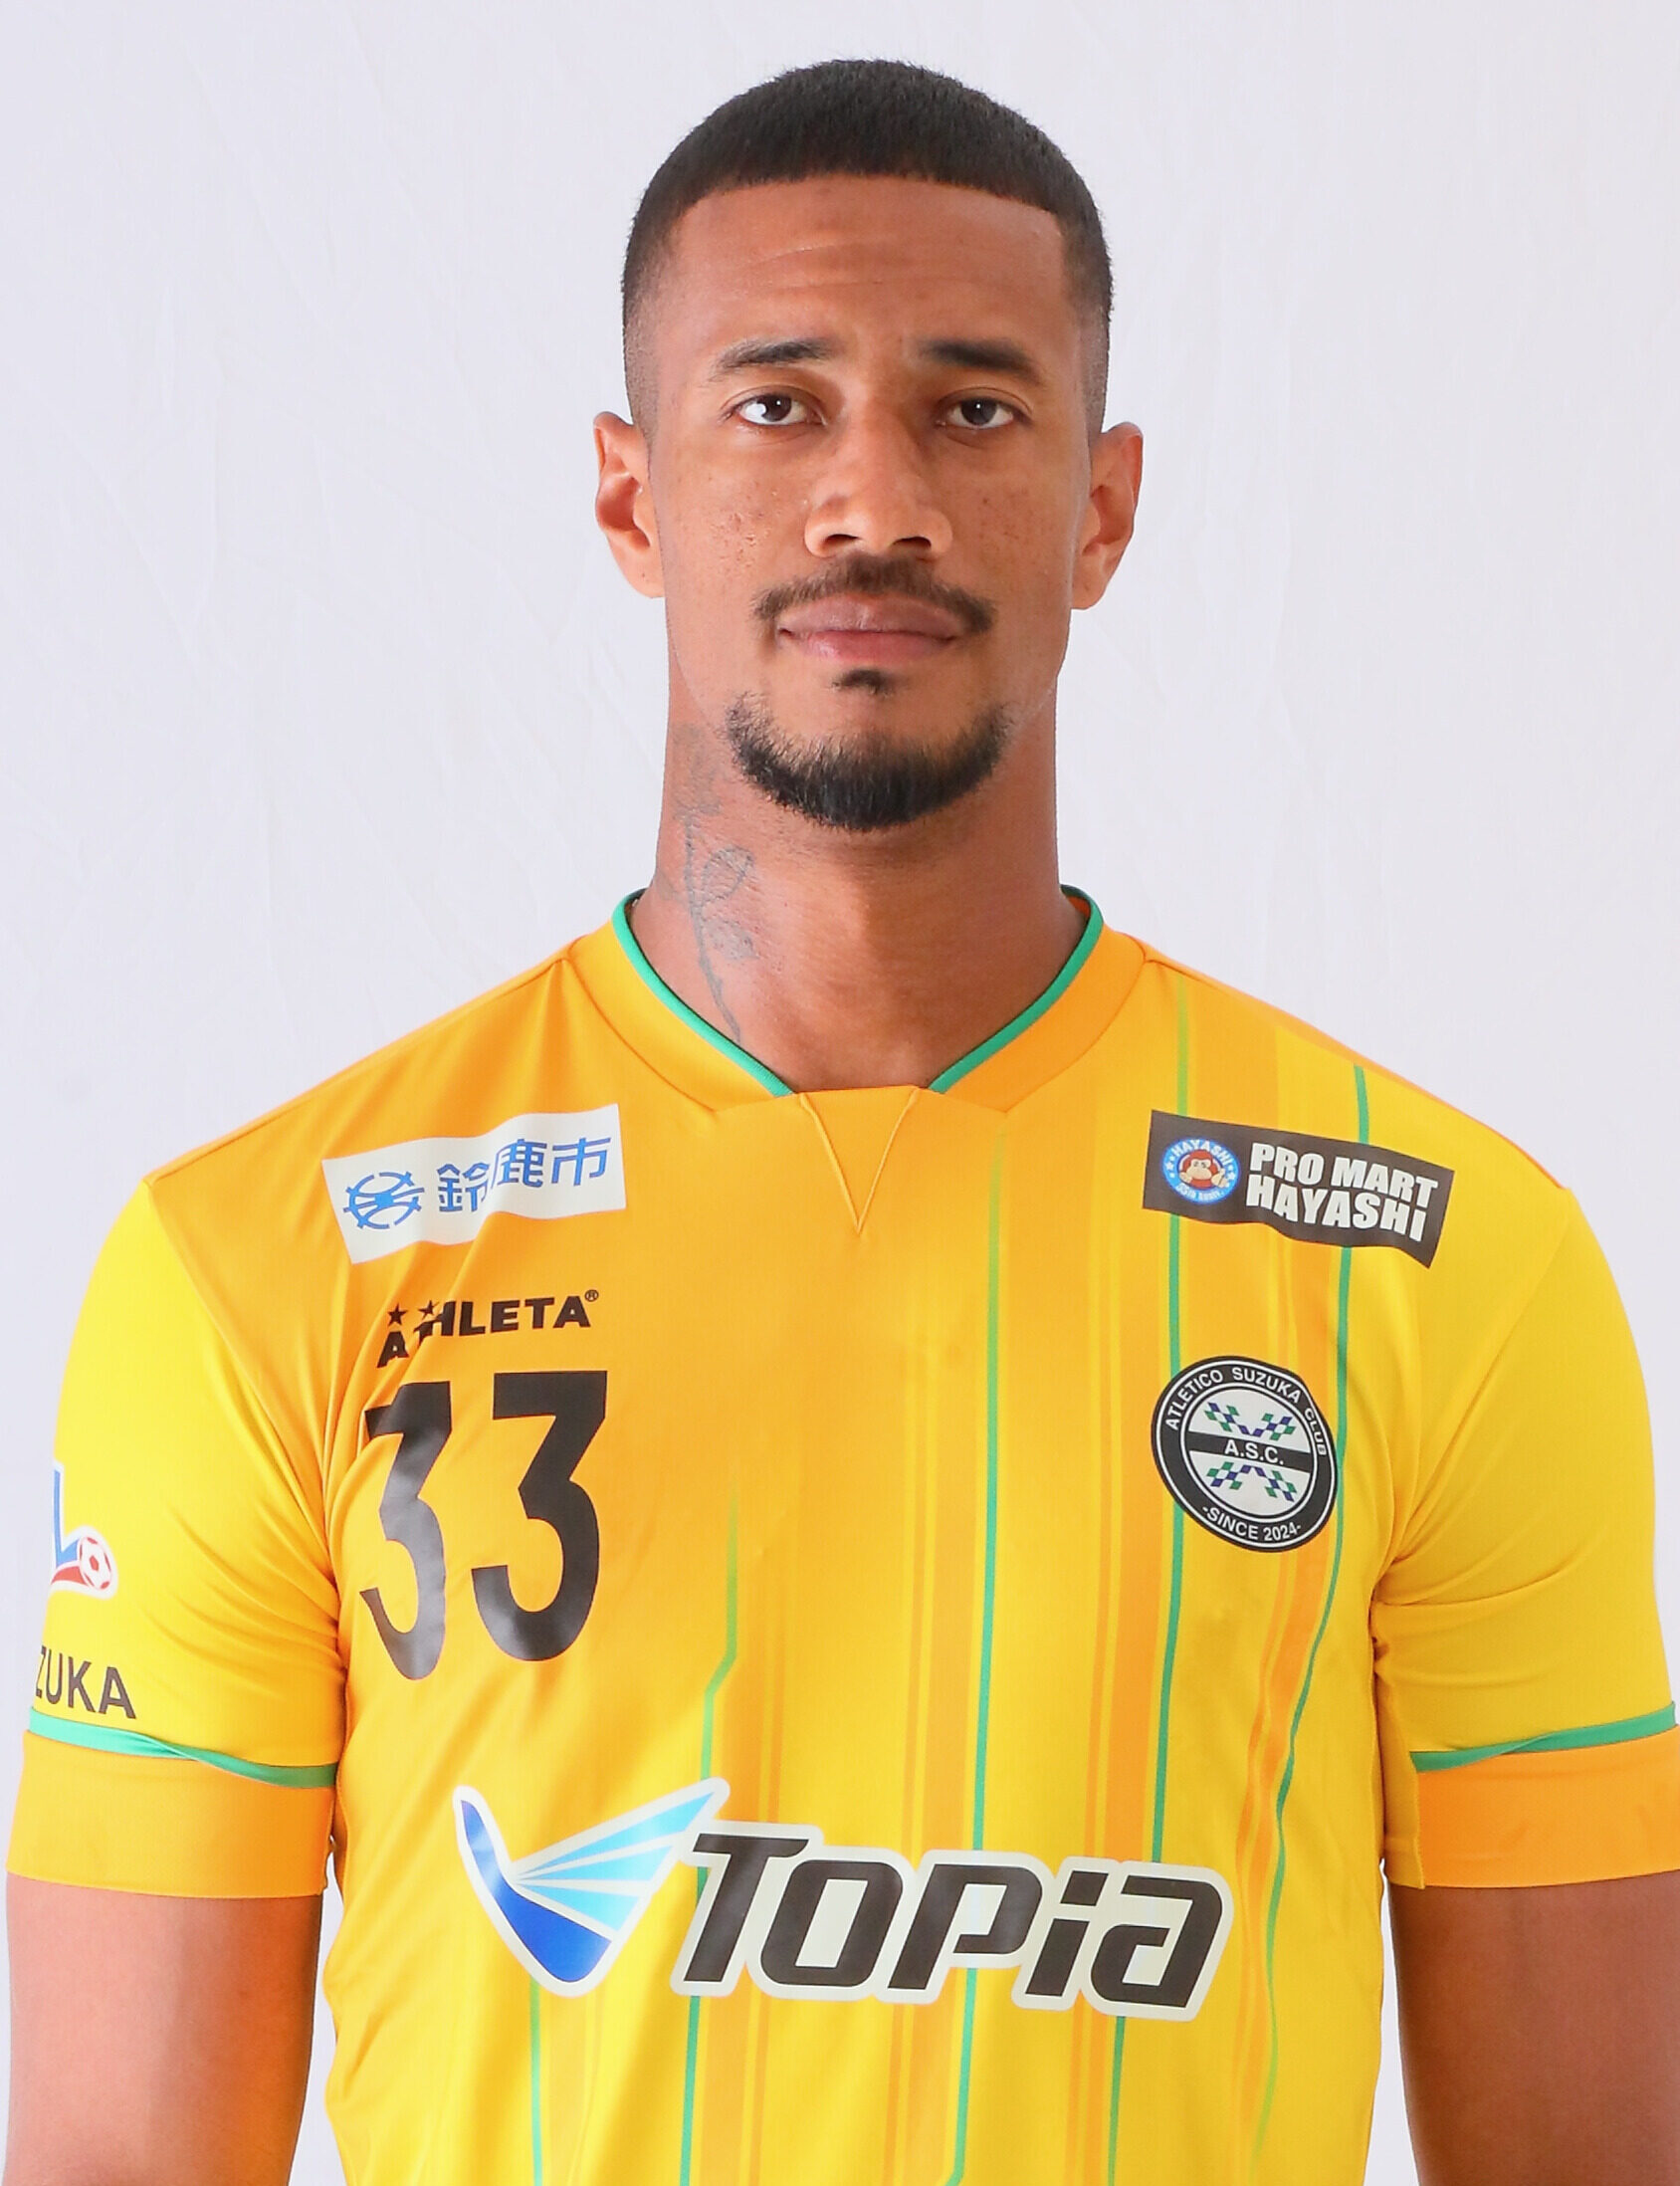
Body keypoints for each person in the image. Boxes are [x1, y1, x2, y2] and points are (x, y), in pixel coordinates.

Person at [6, 57, 1678, 2186]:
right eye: (777, 403)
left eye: (972, 408)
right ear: (630, 497)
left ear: (1103, 505)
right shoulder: (258, 1263)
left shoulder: (1449, 1260)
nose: (871, 497)